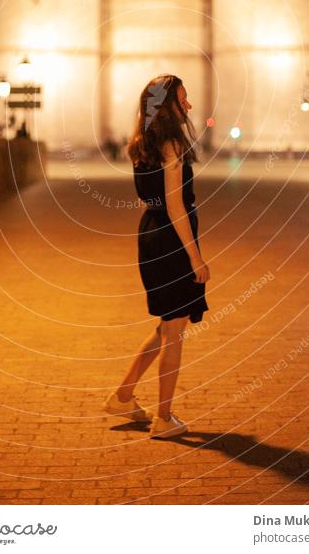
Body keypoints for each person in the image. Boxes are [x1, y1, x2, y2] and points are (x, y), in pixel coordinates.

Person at [103, 74, 210, 438]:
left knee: (166, 326)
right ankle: (164, 419)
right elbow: (176, 206)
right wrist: (195, 258)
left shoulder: (140, 144)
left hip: (149, 234)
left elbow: (145, 198)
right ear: (167, 106)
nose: (189, 105)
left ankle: (123, 395)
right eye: (183, 98)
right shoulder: (171, 145)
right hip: (170, 239)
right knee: (174, 332)